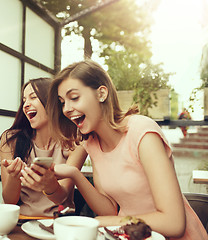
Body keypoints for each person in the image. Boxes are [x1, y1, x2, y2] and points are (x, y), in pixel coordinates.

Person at [46, 59, 208, 239]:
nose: (66, 109)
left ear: (101, 93)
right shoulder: (92, 143)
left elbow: (173, 222)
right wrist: (74, 174)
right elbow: (110, 209)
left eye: (74, 97)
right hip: (130, 235)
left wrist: (98, 222)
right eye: (62, 102)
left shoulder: (142, 133)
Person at [0, 78, 86, 217]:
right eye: (24, 100)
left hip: (58, 223)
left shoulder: (75, 142)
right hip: (19, 221)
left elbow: (61, 197)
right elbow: (9, 202)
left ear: (52, 102)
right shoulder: (11, 140)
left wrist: (49, 184)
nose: (26, 104)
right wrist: (14, 177)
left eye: (33, 97)